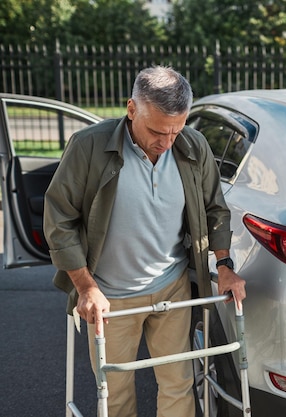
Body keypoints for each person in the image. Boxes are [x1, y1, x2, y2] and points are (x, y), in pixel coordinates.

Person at [43, 65, 246, 417]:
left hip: (173, 287)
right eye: (156, 131)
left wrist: (225, 265)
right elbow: (59, 219)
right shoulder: (88, 147)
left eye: (175, 131)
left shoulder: (192, 145)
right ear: (131, 108)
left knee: (178, 384)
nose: (167, 143)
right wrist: (86, 287)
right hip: (111, 297)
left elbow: (216, 209)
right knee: (116, 393)